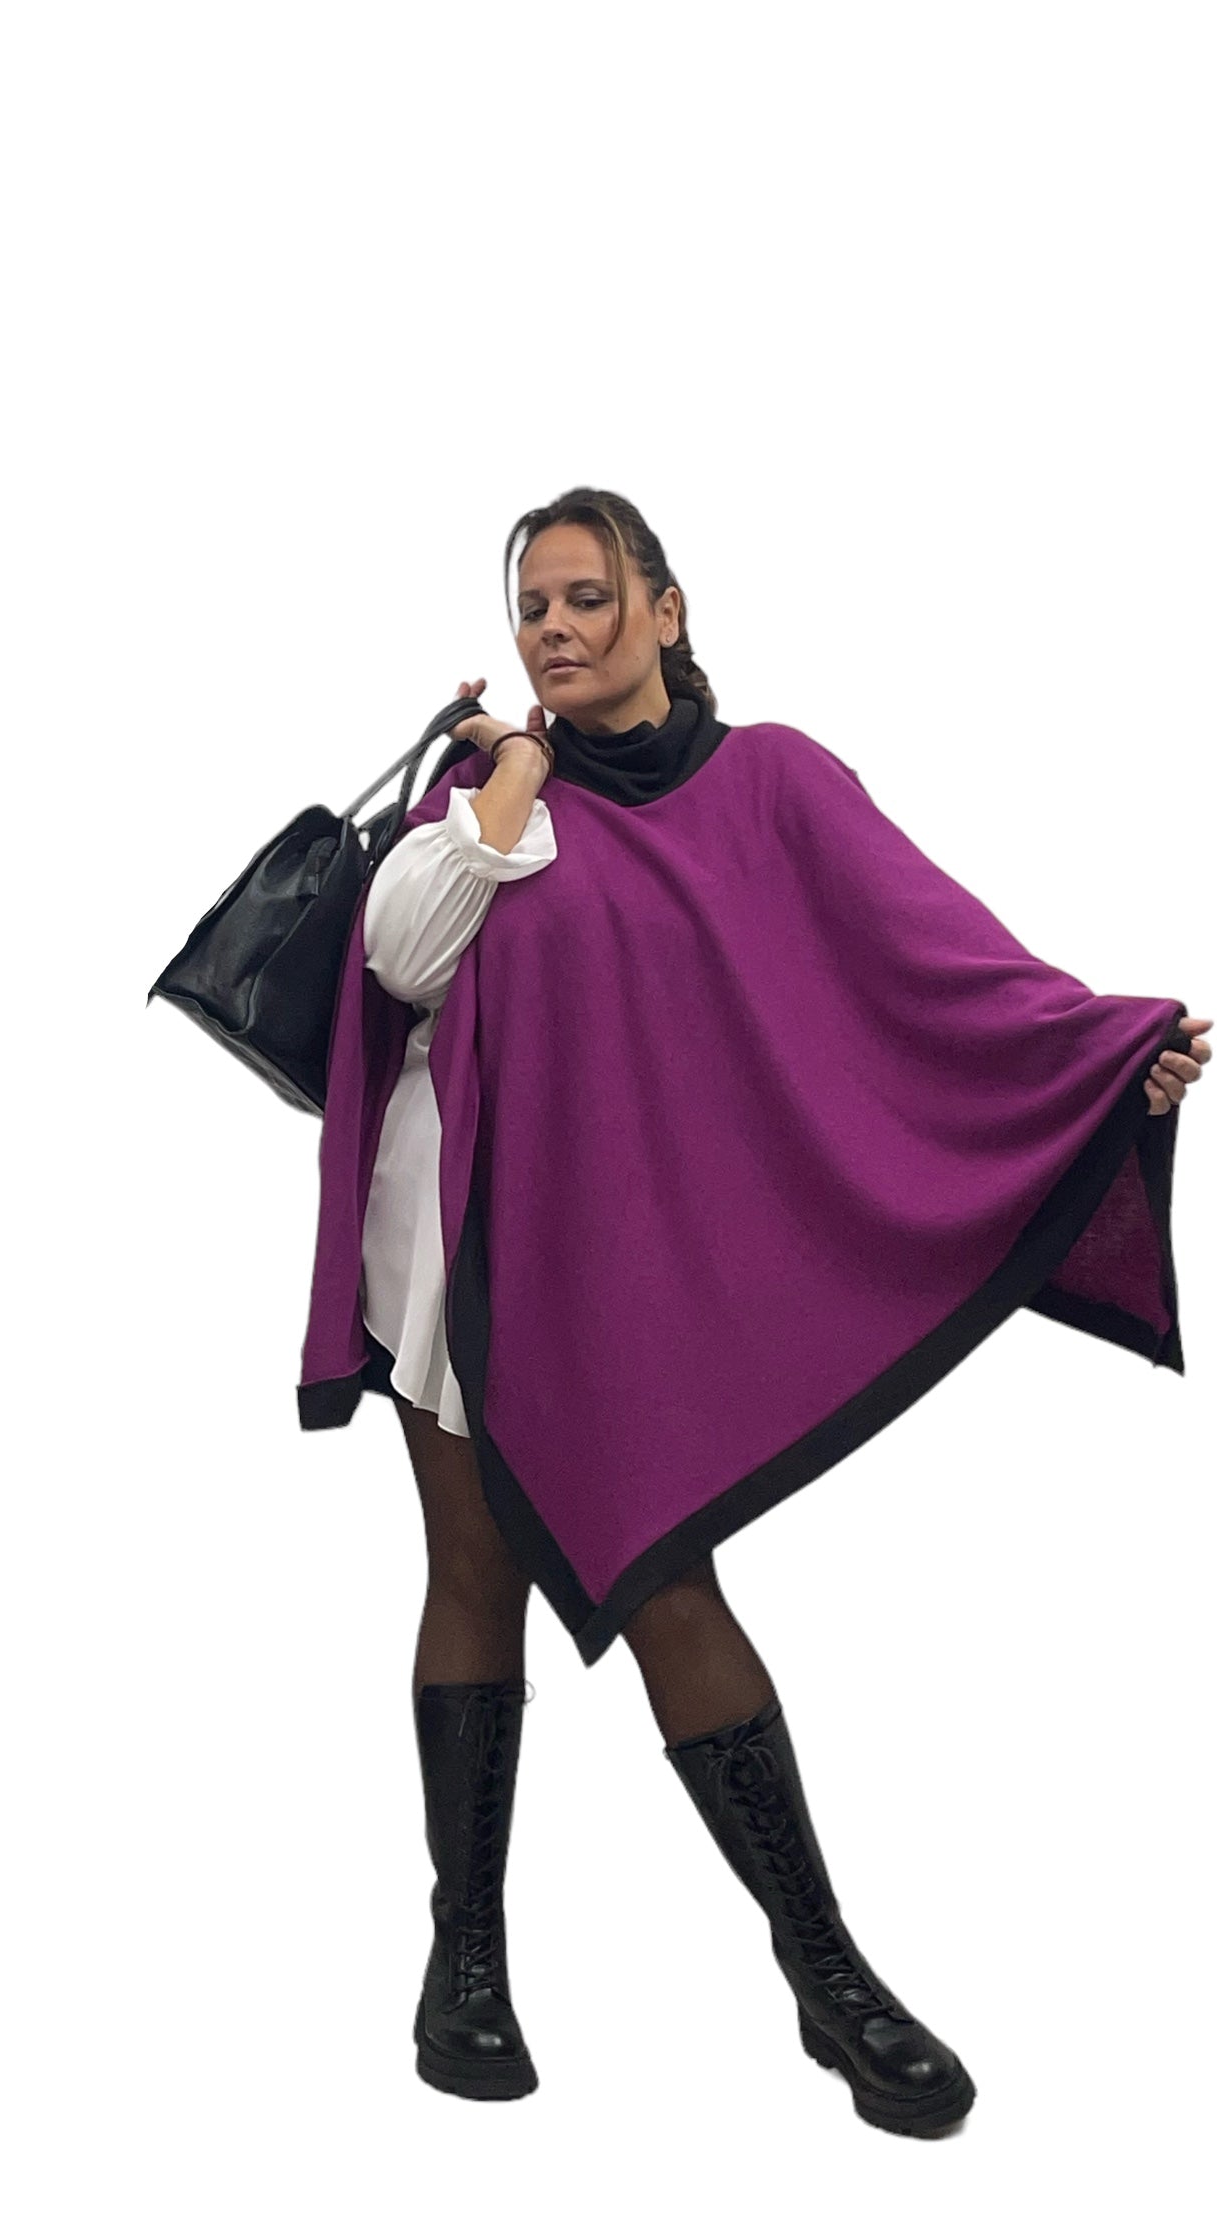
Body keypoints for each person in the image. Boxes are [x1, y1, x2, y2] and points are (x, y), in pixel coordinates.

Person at [299, 485, 1210, 2137]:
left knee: (666, 1573)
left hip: (626, 1256)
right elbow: (402, 957)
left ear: (666, 609)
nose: (555, 630)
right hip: (459, 1243)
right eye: (532, 607)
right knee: (473, 1576)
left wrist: (1098, 1061)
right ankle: (465, 1960)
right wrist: (511, 779)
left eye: (587, 598)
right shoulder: (489, 790)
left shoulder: (775, 781)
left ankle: (824, 1971)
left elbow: (929, 958)